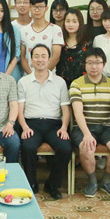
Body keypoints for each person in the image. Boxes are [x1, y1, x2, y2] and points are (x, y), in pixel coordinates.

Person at [17, 44, 71, 199]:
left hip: (54, 124)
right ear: (31, 60)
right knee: (28, 147)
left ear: (49, 59)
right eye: (36, 56)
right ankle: (31, 183)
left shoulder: (60, 82)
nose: (40, 60)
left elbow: (65, 108)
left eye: (43, 56)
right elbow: (19, 109)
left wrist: (64, 127)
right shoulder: (23, 82)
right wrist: (24, 127)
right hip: (31, 123)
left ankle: (52, 184)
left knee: (65, 148)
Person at [69, 47, 110, 198]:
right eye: (90, 63)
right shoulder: (76, 84)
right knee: (86, 148)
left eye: (98, 63)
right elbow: (78, 112)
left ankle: (106, 181)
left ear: (104, 64)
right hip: (84, 127)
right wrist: (87, 134)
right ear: (85, 64)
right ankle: (92, 181)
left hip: (107, 127)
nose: (94, 66)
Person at [19, 0, 64, 74]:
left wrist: (42, 75)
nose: (37, 10)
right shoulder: (24, 30)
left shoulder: (55, 30)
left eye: (40, 7)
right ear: (30, 8)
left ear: (46, 8)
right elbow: (22, 56)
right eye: (34, 7)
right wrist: (32, 76)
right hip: (29, 76)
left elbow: (56, 57)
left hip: (49, 76)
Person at [57, 8, 90, 87]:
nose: (70, 25)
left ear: (80, 23)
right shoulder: (59, 41)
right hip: (61, 84)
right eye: (68, 21)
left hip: (82, 85)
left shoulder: (87, 43)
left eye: (74, 21)